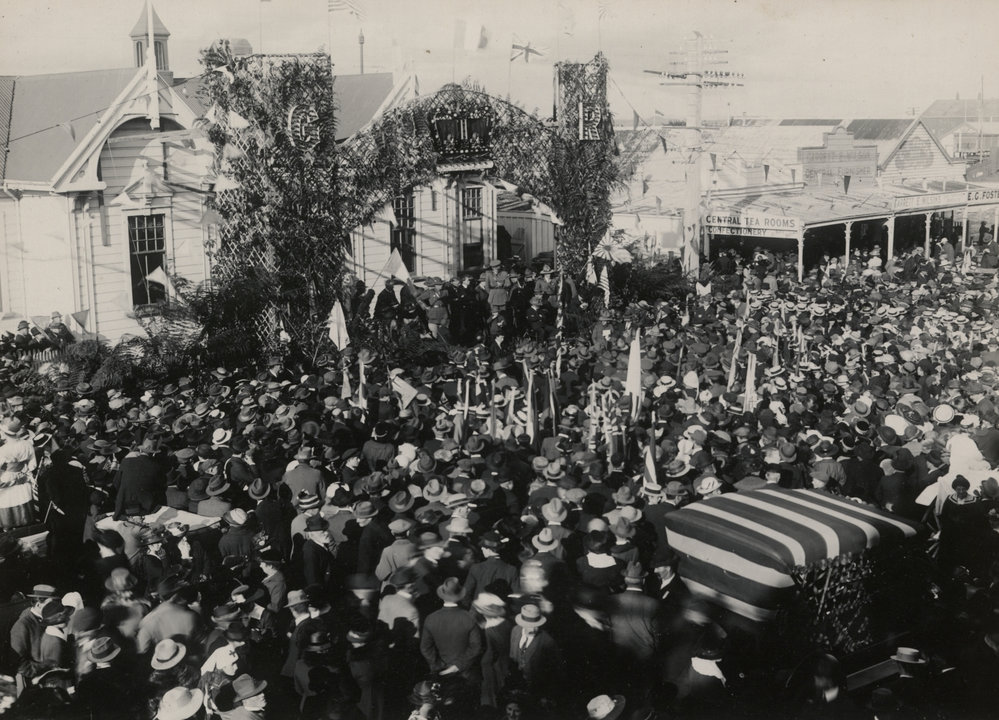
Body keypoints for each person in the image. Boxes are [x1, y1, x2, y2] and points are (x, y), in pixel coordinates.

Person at [113, 437, 167, 520]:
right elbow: (161, 487)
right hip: (146, 506)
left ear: (141, 450)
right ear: (153, 453)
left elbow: (116, 483)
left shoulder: (126, 461)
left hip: (123, 504)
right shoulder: (156, 466)